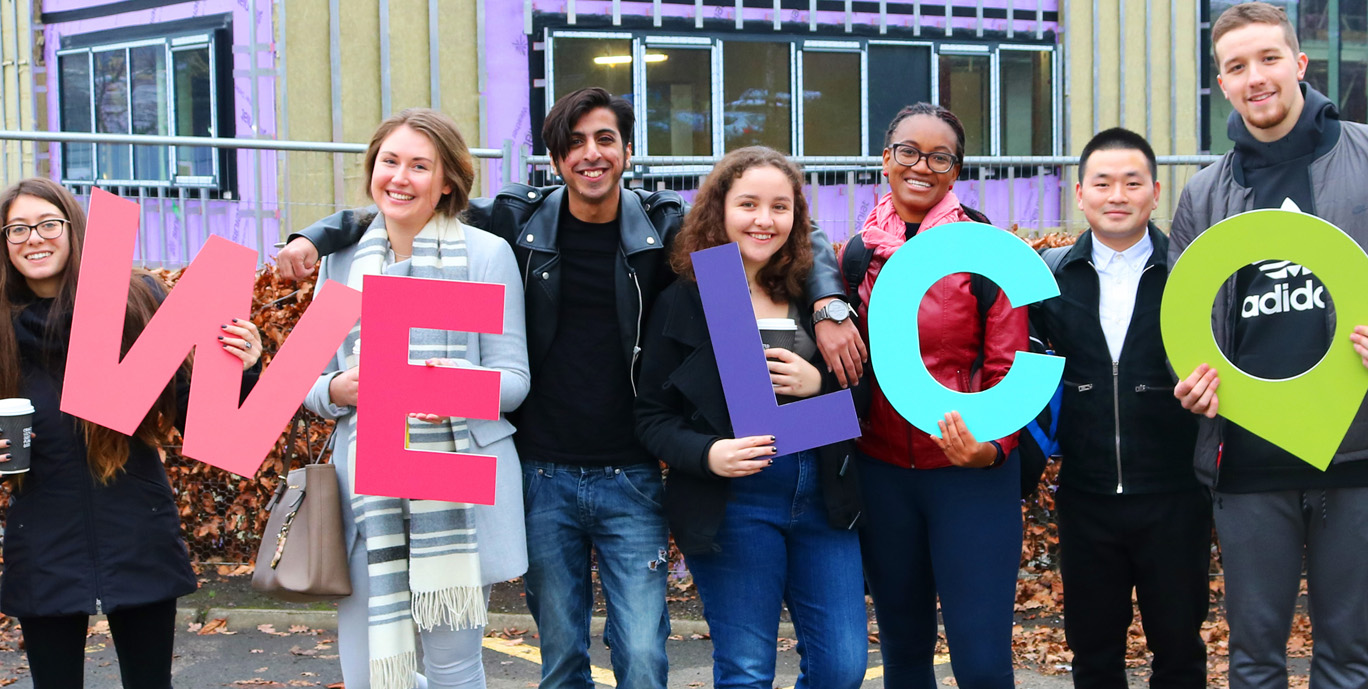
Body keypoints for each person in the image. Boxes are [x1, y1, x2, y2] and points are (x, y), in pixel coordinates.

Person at [276, 88, 848, 689]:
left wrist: (831, 300)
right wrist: (316, 240)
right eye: (573, 143)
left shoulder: (663, 227)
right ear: (554, 160)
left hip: (628, 471)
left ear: (628, 150)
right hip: (532, 472)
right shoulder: (513, 224)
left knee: (644, 659)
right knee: (554, 660)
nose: (590, 154)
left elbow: (776, 234)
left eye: (605, 139)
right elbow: (396, 212)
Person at [1166, 4, 1368, 688]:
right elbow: (1185, 323)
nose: (1255, 77)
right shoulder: (1204, 193)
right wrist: (1192, 380)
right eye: (1236, 67)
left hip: (1361, 447)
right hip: (1248, 454)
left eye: (1268, 59)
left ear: (1299, 64)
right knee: (1254, 660)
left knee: (1346, 659)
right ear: (1222, 83)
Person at [0, 178, 262, 688]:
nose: (34, 238)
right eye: (17, 229)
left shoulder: (131, 305)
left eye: (48, 224)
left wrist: (244, 369)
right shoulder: (1, 332)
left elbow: (198, 415)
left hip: (137, 529)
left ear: (74, 232)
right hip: (43, 538)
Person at [301, 108, 531, 689]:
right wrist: (336, 389)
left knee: (453, 668)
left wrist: (451, 389)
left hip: (454, 483)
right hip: (364, 489)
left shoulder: (486, 255)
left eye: (419, 166)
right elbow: (307, 381)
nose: (400, 177)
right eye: (389, 162)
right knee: (369, 672)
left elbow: (514, 380)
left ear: (447, 180)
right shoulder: (342, 261)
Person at [632, 146, 867, 689]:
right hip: (736, 505)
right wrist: (707, 453)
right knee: (746, 672)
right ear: (719, 209)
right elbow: (650, 416)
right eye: (749, 204)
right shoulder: (689, 297)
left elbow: (867, 401)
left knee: (842, 668)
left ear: (797, 216)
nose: (764, 220)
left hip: (823, 502)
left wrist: (820, 384)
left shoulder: (817, 295)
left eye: (780, 207)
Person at [845, 102, 1025, 689]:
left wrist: (991, 448)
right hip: (881, 473)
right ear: (885, 159)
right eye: (908, 152)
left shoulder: (987, 251)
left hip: (970, 477)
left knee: (981, 663)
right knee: (902, 654)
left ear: (956, 170)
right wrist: (826, 307)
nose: (921, 166)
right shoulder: (849, 256)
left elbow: (1012, 367)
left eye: (939, 156)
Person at [1027, 127, 1209, 689]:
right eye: (1102, 183)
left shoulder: (1190, 272)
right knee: (1094, 651)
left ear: (1155, 192)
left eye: (1132, 183)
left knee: (1179, 647)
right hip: (1086, 497)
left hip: (1175, 495)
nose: (1117, 195)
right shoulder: (1051, 276)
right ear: (1079, 194)